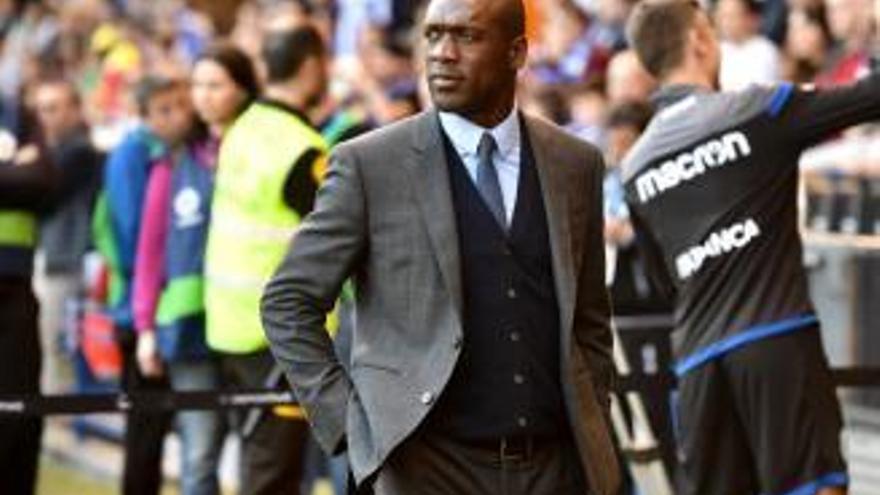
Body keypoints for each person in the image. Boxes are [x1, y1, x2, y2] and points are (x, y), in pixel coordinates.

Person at [261, 0, 620, 494]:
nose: (441, 55)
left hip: (554, 468)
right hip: (424, 470)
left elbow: (590, 317)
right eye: (432, 36)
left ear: (516, 53)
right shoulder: (369, 165)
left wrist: (593, 409)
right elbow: (288, 301)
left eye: (466, 37)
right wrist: (353, 429)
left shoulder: (574, 164)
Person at [622, 1, 880, 493]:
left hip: (697, 366)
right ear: (699, 40)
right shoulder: (756, 111)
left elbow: (663, 281)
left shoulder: (635, 167)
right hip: (775, 339)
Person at [202, 25, 329, 495]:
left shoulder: (244, 126)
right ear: (312, 66)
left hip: (230, 327)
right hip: (279, 340)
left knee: (259, 469)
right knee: (273, 476)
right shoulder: (301, 148)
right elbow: (339, 243)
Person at [95, 75, 191, 495]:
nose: (177, 117)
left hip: (157, 305)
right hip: (137, 309)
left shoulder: (167, 153)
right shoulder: (133, 155)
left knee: (156, 428)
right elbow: (137, 235)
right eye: (164, 110)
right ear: (144, 115)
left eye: (179, 106)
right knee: (144, 432)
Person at [0, 94, 56, 495]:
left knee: (22, 412)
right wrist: (10, 167)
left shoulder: (14, 109)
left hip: (15, 288)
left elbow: (43, 179)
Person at [32, 78, 103, 394]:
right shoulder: (48, 152)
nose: (46, 116)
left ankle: (61, 413)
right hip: (50, 258)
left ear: (75, 110)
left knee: (59, 344)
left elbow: (42, 193)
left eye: (54, 108)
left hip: (70, 263)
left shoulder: (79, 152)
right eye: (41, 109)